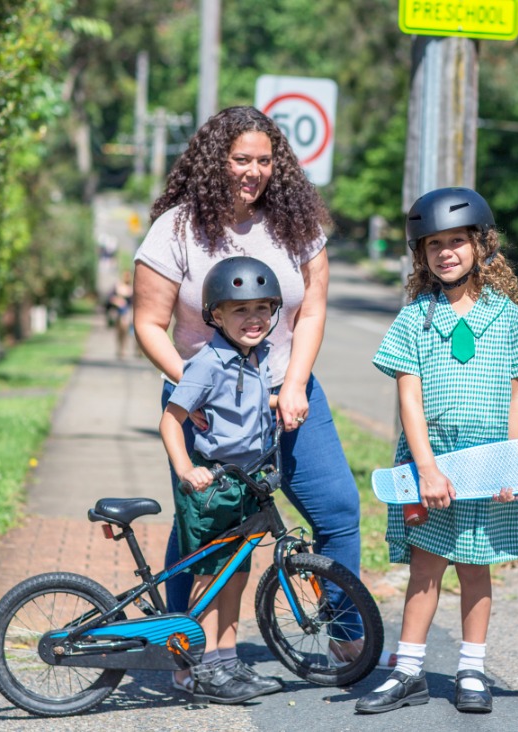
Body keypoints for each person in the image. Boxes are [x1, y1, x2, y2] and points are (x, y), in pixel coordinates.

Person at [132, 106, 388, 692]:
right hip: (208, 399)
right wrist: (196, 389)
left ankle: (345, 634)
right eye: (241, 159)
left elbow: (315, 306)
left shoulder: (294, 222)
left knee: (337, 510)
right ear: (215, 160)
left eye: (264, 160)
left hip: (285, 389)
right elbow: (149, 323)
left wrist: (295, 381)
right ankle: (188, 649)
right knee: (209, 530)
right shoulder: (177, 228)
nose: (253, 171)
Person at [357, 187, 518, 715]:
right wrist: (427, 469)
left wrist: (514, 464)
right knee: (425, 567)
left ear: (481, 244)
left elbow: (514, 393)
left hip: (488, 465)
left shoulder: (508, 317)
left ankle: (471, 669)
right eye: (433, 244)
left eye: (456, 241)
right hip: (433, 463)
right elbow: (408, 398)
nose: (446, 252)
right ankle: (409, 671)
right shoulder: (415, 318)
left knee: (476, 567)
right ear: (421, 254)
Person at [159, 256, 285, 703]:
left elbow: (242, 406)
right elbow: (171, 421)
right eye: (240, 310)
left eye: (262, 309)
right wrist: (185, 469)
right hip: (211, 487)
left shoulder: (258, 357)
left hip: (247, 484)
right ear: (215, 315)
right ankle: (203, 664)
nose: (253, 319)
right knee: (209, 577)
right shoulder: (207, 363)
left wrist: (273, 404)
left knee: (235, 574)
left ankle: (227, 661)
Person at [107, 271, 134, 359]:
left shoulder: (131, 288)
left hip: (127, 312)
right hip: (117, 311)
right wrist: (117, 301)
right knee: (118, 332)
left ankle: (123, 348)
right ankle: (119, 348)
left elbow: (133, 302)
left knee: (125, 330)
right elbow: (110, 297)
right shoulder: (117, 286)